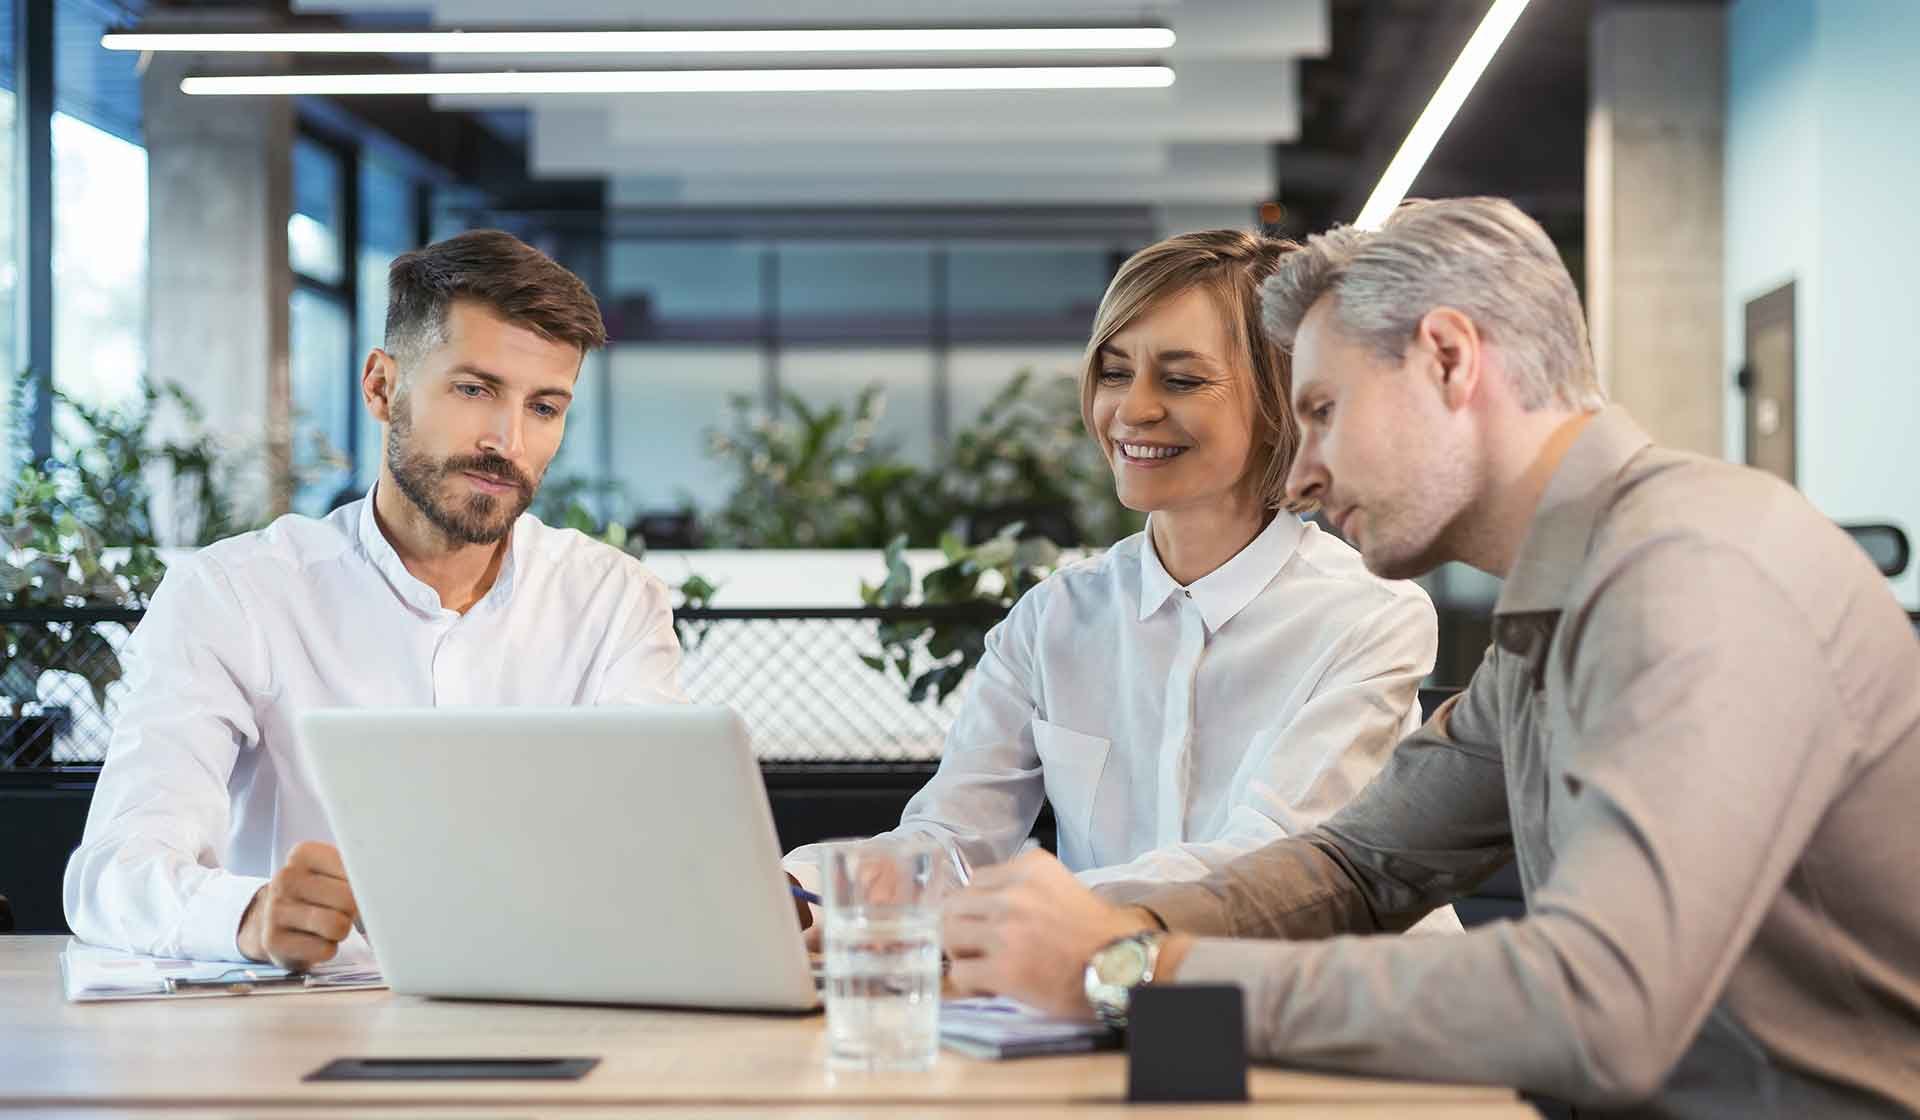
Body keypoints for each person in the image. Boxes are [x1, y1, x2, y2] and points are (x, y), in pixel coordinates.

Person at [940, 197, 1920, 1116]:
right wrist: (1133, 933)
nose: (1305, 466)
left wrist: (1138, 972)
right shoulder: (1560, 610)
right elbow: (1358, 864)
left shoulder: (1696, 576)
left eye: (1322, 410)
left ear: (1449, 360)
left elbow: (1595, 1004)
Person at [788, 230, 1455, 936]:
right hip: (1108, 994)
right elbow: (952, 839)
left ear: (1281, 400)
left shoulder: (1370, 618)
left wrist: (1025, 907)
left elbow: (1268, 866)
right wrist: (807, 889)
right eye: (1113, 373)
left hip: (1324, 1009)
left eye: (1181, 379)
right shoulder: (1053, 620)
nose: (1131, 410)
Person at [65, 231, 688, 968]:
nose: (507, 440)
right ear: (381, 386)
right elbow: (114, 871)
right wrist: (247, 914)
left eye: (545, 407)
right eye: (474, 389)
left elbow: (667, 849)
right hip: (302, 1036)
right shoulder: (233, 596)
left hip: (555, 1017)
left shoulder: (614, 602)